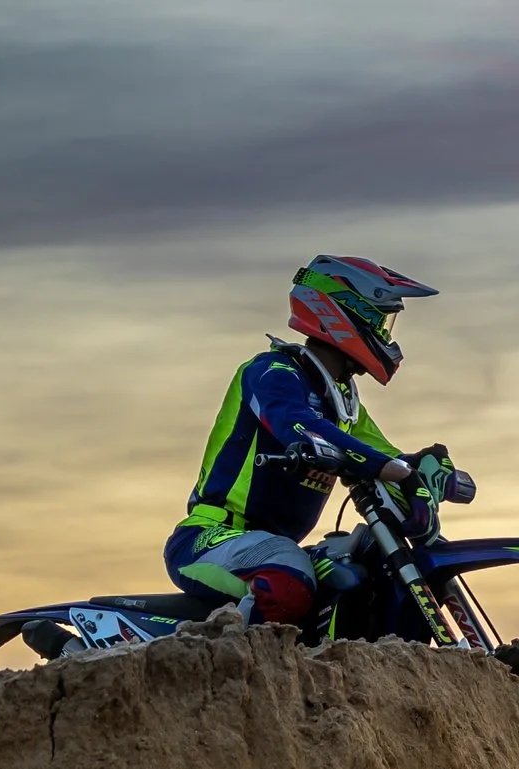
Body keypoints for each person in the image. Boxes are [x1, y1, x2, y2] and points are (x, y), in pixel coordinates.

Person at [166, 256, 471, 625]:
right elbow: (294, 423)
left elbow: (381, 454)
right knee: (289, 580)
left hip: (273, 547)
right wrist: (395, 471)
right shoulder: (272, 371)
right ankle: (243, 672)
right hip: (211, 537)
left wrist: (427, 469)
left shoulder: (341, 401)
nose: (387, 336)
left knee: (355, 577)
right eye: (381, 321)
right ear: (344, 312)